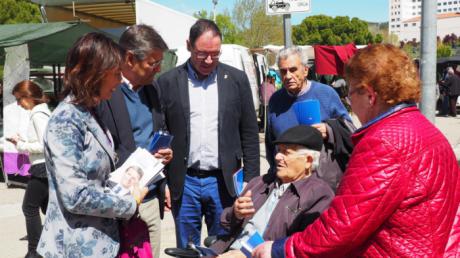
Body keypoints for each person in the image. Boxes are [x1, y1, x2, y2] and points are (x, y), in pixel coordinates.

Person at [253, 44, 460, 258]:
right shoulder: (425, 129)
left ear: (370, 95)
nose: (349, 100)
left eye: (350, 92)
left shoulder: (382, 143)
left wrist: (281, 249)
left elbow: (341, 227)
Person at [37, 33, 148, 258]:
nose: (119, 82)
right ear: (95, 73)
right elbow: (75, 196)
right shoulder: (66, 120)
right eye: (116, 74)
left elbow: (96, 178)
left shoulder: (90, 112)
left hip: (101, 244)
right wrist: (129, 203)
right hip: (74, 247)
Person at [157, 19, 260, 248]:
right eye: (202, 54)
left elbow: (249, 134)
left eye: (215, 54)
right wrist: (162, 182)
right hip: (185, 182)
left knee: (222, 246)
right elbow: (160, 134)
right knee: (187, 248)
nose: (209, 60)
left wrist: (251, 183)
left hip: (223, 183)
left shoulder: (236, 80)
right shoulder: (168, 82)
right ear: (188, 46)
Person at [95, 24, 172, 258]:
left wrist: (167, 154)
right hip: (117, 204)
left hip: (149, 198)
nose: (158, 69)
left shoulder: (153, 89)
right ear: (129, 59)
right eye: (152, 63)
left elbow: (160, 129)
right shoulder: (105, 92)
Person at [211, 125, 334, 258]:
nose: (277, 157)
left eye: (286, 152)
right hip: (224, 251)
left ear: (308, 161)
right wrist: (236, 213)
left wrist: (245, 254)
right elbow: (226, 224)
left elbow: (303, 247)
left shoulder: (320, 195)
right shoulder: (259, 183)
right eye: (278, 150)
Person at [265, 46, 354, 191]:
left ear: (305, 70)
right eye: (283, 71)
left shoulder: (326, 93)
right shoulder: (275, 100)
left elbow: (350, 132)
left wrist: (329, 129)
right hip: (288, 184)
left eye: (293, 70)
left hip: (323, 183)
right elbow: (270, 142)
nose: (288, 76)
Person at [7, 80, 51, 258]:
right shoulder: (41, 113)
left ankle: (35, 252)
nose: (18, 104)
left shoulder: (38, 114)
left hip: (41, 168)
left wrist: (21, 144)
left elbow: (44, 144)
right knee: (48, 209)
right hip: (45, 167)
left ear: (30, 97)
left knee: (29, 208)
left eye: (20, 99)